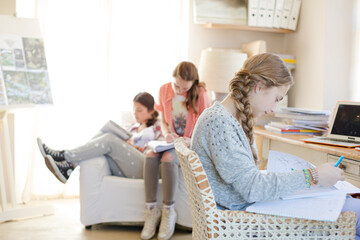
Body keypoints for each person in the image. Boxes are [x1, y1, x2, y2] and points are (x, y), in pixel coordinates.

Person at [191, 53, 360, 239]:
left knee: (347, 208)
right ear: (259, 87)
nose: (274, 109)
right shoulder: (219, 123)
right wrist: (314, 175)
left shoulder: (226, 119)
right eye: (277, 99)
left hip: (246, 209)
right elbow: (253, 188)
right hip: (242, 220)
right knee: (355, 216)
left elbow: (247, 180)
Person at [140, 61, 211, 240]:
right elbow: (163, 120)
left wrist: (189, 139)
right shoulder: (164, 89)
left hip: (188, 144)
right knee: (150, 155)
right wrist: (167, 134)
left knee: (168, 159)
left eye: (184, 88)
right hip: (170, 140)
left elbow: (206, 126)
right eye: (177, 85)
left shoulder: (201, 94)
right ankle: (150, 212)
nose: (179, 90)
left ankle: (168, 212)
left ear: (193, 83)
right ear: (173, 78)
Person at [37, 92, 162, 183]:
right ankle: (69, 166)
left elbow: (159, 149)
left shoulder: (157, 127)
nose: (135, 113)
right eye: (134, 110)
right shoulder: (131, 127)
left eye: (139, 110)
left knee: (108, 139)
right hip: (124, 166)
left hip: (145, 167)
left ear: (151, 110)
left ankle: (64, 157)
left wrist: (134, 146)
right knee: (104, 135)